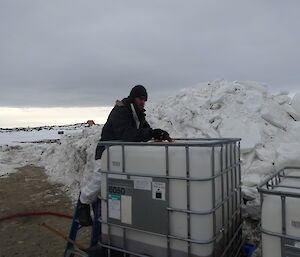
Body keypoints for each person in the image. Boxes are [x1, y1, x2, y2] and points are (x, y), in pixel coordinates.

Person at [78, 85, 170, 226]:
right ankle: (83, 203)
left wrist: (157, 133)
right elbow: (128, 135)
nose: (143, 102)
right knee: (99, 180)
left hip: (122, 154)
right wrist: (150, 134)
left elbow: (145, 130)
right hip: (106, 152)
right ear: (133, 97)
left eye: (145, 100)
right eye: (140, 98)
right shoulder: (121, 111)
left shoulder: (137, 113)